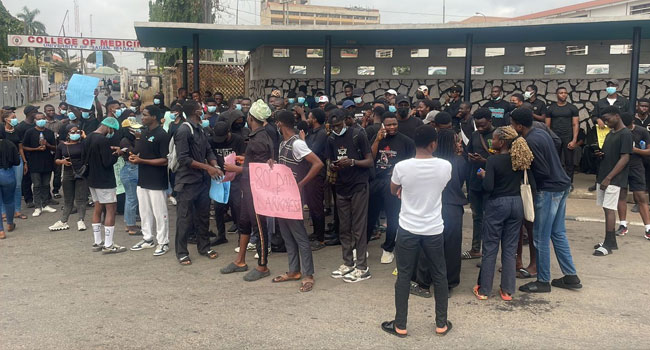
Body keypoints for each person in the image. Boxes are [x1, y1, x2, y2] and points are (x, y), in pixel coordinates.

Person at [381, 124, 451, 338]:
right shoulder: (445, 166)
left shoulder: (402, 167)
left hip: (408, 228)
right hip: (433, 228)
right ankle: (441, 323)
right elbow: (441, 187)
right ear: (433, 144)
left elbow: (393, 190)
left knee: (403, 275)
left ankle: (400, 324)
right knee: (439, 274)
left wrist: (403, 189)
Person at [510, 108, 582, 293]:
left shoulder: (528, 141)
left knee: (541, 237)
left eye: (512, 124)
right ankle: (571, 276)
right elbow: (557, 142)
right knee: (558, 233)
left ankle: (543, 281)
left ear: (519, 125)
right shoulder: (541, 132)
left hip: (548, 190)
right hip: (562, 185)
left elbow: (541, 170)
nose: (511, 126)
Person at [474, 126, 533, 301]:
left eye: (495, 139)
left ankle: (484, 290)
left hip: (497, 205)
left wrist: (484, 175)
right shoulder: (519, 160)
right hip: (516, 204)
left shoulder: (493, 160)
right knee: (509, 249)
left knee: (490, 247)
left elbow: (489, 187)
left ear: (503, 141)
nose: (493, 142)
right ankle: (507, 290)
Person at [220, 100, 274, 281]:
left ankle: (263, 265)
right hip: (248, 188)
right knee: (244, 223)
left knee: (259, 227)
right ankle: (240, 260)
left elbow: (260, 170)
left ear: (251, 118)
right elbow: (257, 162)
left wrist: (236, 168)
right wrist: (245, 159)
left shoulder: (259, 139)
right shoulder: (259, 135)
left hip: (256, 190)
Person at [271, 110, 323, 292]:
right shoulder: (284, 143)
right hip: (282, 195)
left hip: (293, 196)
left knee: (299, 234)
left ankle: (308, 274)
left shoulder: (297, 144)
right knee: (286, 233)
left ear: (279, 124)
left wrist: (301, 184)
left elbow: (317, 163)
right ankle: (294, 270)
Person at [327, 110, 374, 283]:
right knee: (344, 227)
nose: (336, 129)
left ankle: (362, 267)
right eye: (333, 127)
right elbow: (330, 162)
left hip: (359, 185)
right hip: (341, 186)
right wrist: (334, 166)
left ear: (346, 121)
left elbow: (369, 161)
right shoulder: (331, 139)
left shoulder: (358, 135)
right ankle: (348, 263)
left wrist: (352, 162)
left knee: (359, 228)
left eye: (338, 126)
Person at [174, 100, 222, 265]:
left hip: (202, 181)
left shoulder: (200, 129)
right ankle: (181, 252)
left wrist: (215, 165)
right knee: (184, 218)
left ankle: (204, 247)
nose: (204, 110)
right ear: (195, 111)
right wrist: (208, 168)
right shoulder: (183, 130)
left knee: (203, 216)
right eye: (201, 108)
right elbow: (184, 159)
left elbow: (208, 150)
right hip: (187, 182)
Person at [368, 112, 415, 264]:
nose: (392, 127)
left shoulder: (406, 141)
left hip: (394, 183)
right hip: (376, 181)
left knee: (392, 217)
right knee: (370, 215)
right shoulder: (378, 138)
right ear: (383, 125)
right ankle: (361, 247)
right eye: (388, 124)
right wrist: (377, 139)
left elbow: (411, 163)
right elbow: (370, 157)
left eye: (394, 124)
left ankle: (388, 249)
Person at [129, 105, 171, 256]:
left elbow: (164, 161)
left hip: (156, 181)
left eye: (145, 115)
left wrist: (141, 160)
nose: (142, 117)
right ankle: (148, 239)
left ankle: (163, 242)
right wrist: (134, 157)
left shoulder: (162, 135)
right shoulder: (145, 133)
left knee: (160, 213)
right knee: (144, 211)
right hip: (143, 179)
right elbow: (140, 152)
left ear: (154, 117)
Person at [593, 107, 633, 256]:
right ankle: (610, 241)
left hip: (614, 179)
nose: (605, 122)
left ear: (617, 116)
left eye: (608, 119)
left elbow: (625, 158)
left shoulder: (625, 134)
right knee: (605, 208)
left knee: (610, 209)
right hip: (604, 176)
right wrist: (600, 154)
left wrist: (609, 178)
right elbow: (611, 154)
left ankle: (608, 245)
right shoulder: (611, 133)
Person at [85, 116, 126, 254]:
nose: (112, 132)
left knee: (97, 207)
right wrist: (117, 154)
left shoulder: (89, 137)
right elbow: (107, 162)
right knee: (110, 209)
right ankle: (109, 244)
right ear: (108, 127)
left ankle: (97, 241)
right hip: (105, 180)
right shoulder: (102, 140)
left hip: (92, 179)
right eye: (112, 129)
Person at [463, 108, 495, 260]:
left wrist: (484, 161)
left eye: (483, 125)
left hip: (493, 183)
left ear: (490, 121)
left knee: (492, 218)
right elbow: (467, 153)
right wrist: (470, 158)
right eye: (478, 125)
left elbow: (504, 160)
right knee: (477, 217)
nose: (480, 128)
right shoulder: (475, 135)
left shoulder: (499, 135)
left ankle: (490, 252)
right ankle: (475, 249)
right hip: (475, 182)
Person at [615, 112, 650, 239]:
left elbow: (648, 151)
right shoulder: (618, 131)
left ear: (633, 123)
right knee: (621, 195)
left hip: (637, 166)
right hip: (621, 167)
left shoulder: (642, 132)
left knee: (640, 197)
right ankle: (623, 225)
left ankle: (648, 228)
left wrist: (635, 150)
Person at [210, 119, 245, 245]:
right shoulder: (212, 140)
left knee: (237, 206)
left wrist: (236, 169)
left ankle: (242, 235)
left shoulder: (238, 140)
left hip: (235, 178)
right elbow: (209, 155)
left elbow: (244, 158)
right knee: (218, 208)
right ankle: (221, 235)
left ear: (228, 132)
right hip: (219, 178)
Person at [49, 125, 88, 231]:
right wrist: (62, 162)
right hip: (67, 173)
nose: (75, 134)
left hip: (81, 173)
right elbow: (56, 159)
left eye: (77, 132)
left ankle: (81, 220)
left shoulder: (83, 144)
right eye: (72, 132)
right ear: (68, 134)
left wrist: (85, 137)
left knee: (81, 199)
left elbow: (91, 146)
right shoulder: (62, 146)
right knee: (68, 199)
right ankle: (63, 221)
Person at [22, 112, 57, 217]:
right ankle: (38, 206)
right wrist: (36, 149)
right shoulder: (30, 132)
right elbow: (24, 147)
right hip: (34, 163)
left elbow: (55, 147)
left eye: (42, 118)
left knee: (46, 185)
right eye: (38, 119)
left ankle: (45, 204)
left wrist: (48, 145)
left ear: (45, 119)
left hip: (47, 162)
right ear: (35, 120)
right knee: (37, 185)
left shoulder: (50, 133)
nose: (40, 120)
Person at [304, 108, 328, 250]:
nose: (308, 119)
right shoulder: (311, 133)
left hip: (317, 173)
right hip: (309, 173)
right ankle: (315, 233)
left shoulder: (322, 134)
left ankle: (320, 239)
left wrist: (302, 141)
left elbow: (313, 151)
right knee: (312, 205)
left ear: (315, 119)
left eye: (309, 117)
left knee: (317, 205)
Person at [546, 87, 580, 186]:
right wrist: (549, 139)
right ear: (556, 94)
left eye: (565, 93)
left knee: (569, 161)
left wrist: (574, 140)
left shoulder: (572, 108)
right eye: (561, 93)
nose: (563, 94)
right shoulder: (551, 108)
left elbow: (575, 124)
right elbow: (547, 126)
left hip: (568, 137)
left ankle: (569, 183)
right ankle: (555, 180)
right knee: (554, 160)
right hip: (554, 138)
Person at [0, 109, 27, 220]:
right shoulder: (2, 131)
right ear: (6, 120)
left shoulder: (17, 131)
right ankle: (3, 212)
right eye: (13, 118)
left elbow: (20, 148)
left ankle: (17, 211)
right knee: (3, 187)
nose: (15, 120)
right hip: (4, 162)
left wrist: (24, 162)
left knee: (17, 186)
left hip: (17, 160)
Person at [119, 118, 141, 236]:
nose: (137, 130)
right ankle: (131, 226)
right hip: (130, 170)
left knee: (131, 198)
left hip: (132, 170)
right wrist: (138, 139)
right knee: (131, 199)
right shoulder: (124, 141)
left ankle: (129, 223)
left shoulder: (130, 139)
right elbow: (134, 152)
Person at [16, 105, 37, 209]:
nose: (37, 112)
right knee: (27, 178)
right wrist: (24, 161)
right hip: (27, 155)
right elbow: (20, 145)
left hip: (37, 155)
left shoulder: (36, 125)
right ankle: (28, 199)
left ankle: (44, 197)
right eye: (35, 111)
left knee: (38, 177)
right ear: (30, 113)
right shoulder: (21, 127)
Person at [0, 129, 20, 239]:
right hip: (7, 174)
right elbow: (17, 162)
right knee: (9, 200)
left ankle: (1, 231)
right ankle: (10, 223)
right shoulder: (9, 144)